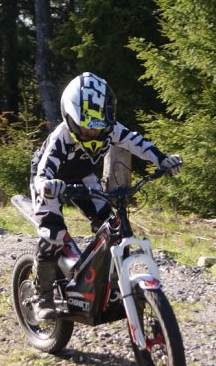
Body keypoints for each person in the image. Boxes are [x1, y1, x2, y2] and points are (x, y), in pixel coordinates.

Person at [30, 72, 182, 320]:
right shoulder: (60, 137)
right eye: (85, 127)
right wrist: (47, 186)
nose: (91, 133)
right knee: (53, 233)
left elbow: (136, 141)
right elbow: (42, 172)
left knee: (111, 226)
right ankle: (42, 293)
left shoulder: (111, 129)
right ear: (69, 117)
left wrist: (162, 160)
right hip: (49, 180)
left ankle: (106, 283)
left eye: (97, 127)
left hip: (82, 177)